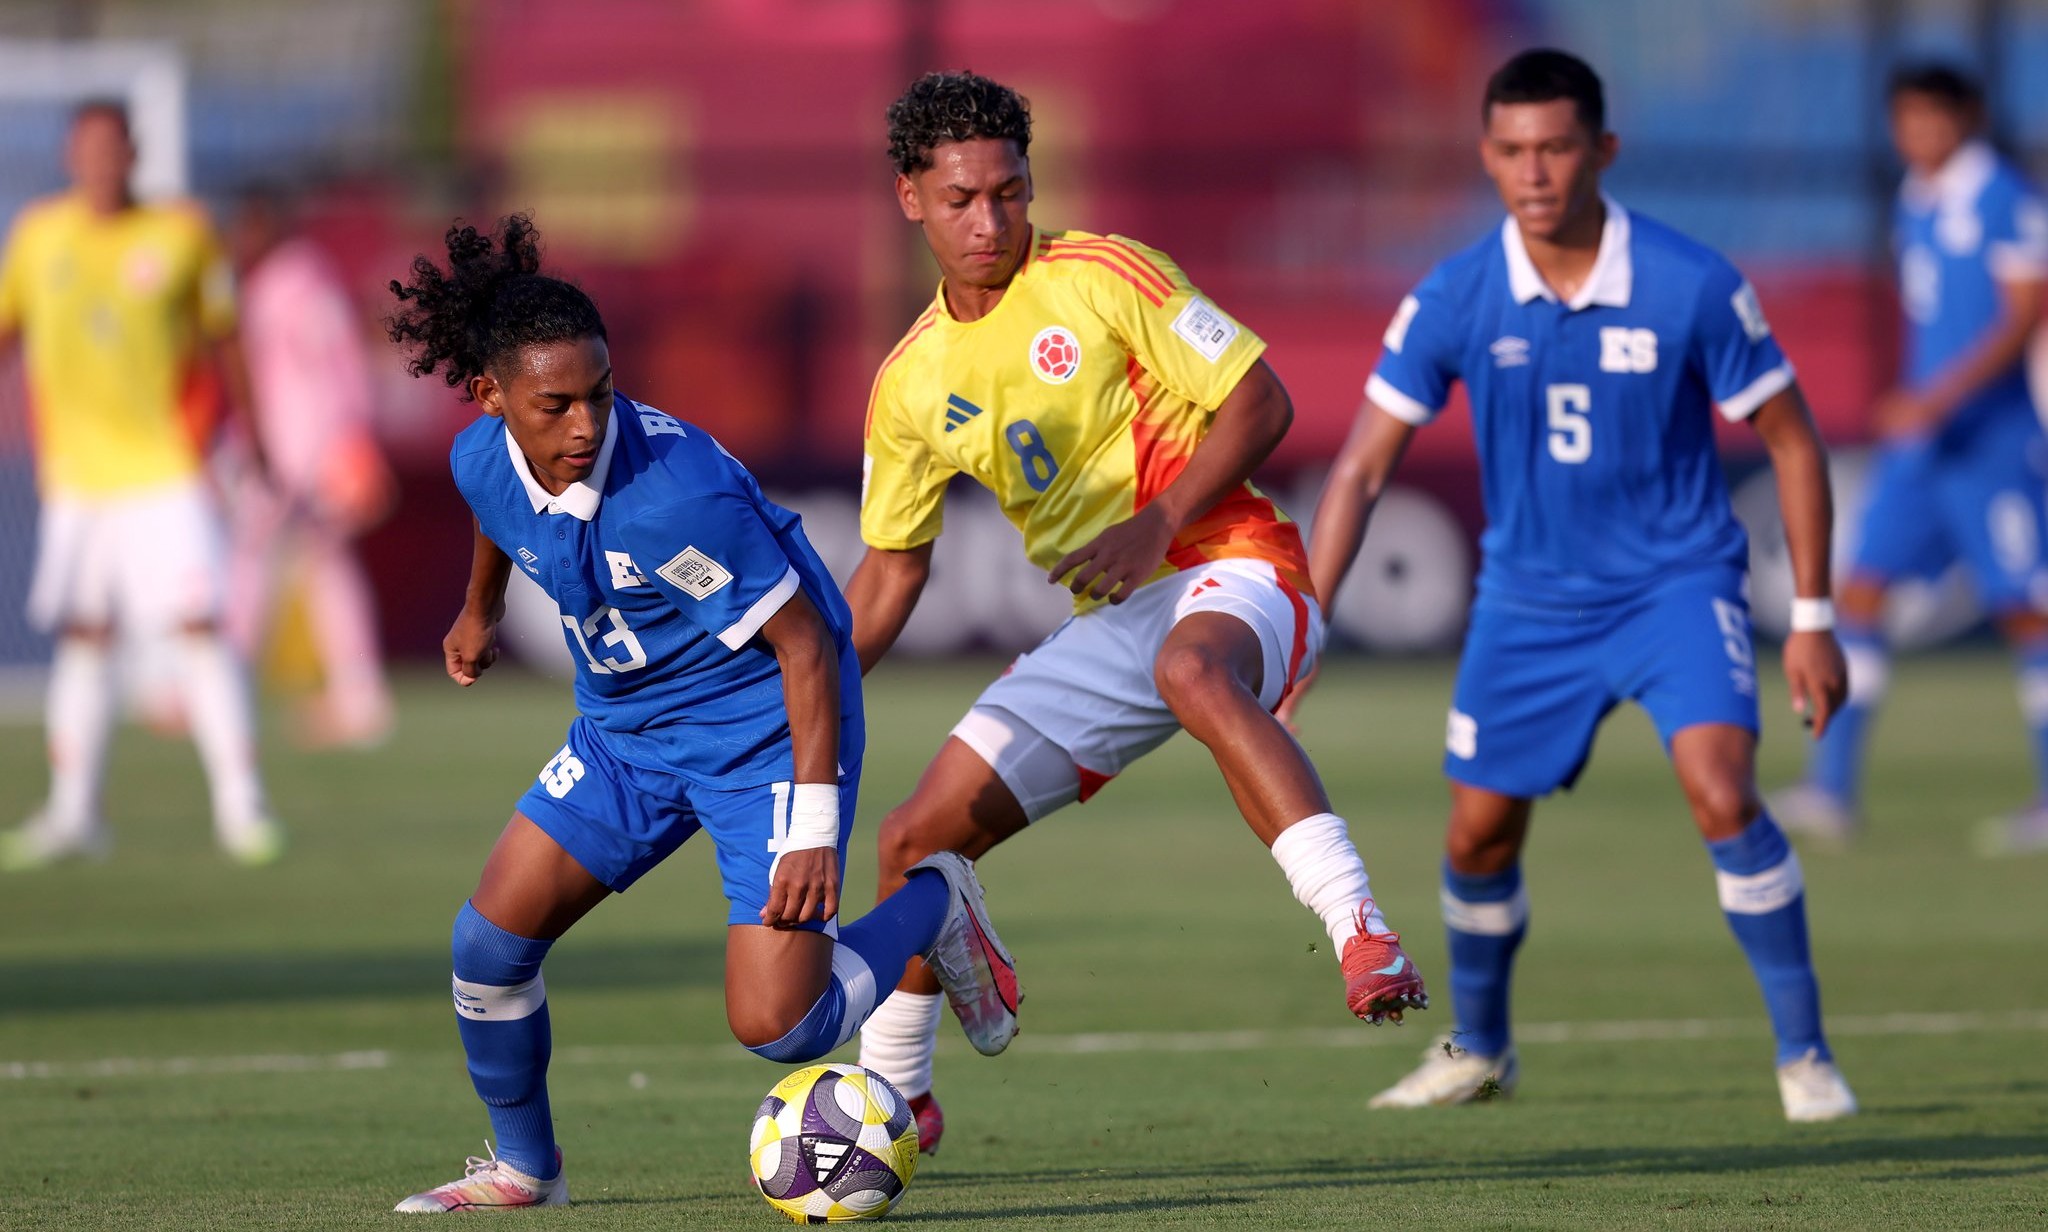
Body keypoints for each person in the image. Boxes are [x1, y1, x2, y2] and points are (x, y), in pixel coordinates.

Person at [383, 215, 1019, 1212]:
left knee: (782, 1024)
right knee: (487, 949)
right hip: (625, 734)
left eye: (600, 392)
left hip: (762, 730)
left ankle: (933, 904)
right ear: (492, 398)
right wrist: (480, 607)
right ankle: (524, 1169)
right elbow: (497, 511)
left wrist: (811, 827)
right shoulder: (477, 458)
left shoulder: (674, 500)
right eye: (555, 405)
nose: (587, 425)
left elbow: (809, 644)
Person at [849, 71, 1426, 1155]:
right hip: (1115, 619)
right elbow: (889, 574)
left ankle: (1359, 929)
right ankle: (895, 1097)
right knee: (909, 842)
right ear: (909, 199)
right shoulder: (909, 381)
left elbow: (1263, 399)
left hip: (1238, 567)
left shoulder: (1103, 272)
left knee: (1190, 670)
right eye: (964, 198)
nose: (991, 220)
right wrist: (801, 696)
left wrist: (1156, 521)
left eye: (1010, 193)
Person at [1290, 50, 1857, 1121]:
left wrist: (1812, 618)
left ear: (1601, 150)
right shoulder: (1455, 292)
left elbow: (1790, 439)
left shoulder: (1691, 281)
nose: (1533, 172)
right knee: (1475, 837)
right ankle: (1480, 1050)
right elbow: (1361, 464)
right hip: (1528, 603)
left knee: (1722, 792)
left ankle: (1805, 1054)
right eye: (1510, 151)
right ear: (1484, 156)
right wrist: (1303, 620)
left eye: (1554, 147)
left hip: (1674, 586)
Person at [1771, 64, 2048, 856]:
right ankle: (1832, 789)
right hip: (1921, 447)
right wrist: (1918, 403)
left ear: (1967, 118)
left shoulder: (2005, 196)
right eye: (1905, 120)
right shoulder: (1915, 197)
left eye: (1931, 119)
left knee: (2028, 610)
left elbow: (2024, 315)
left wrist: (1941, 395)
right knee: (1857, 593)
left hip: (1992, 444)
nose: (1916, 135)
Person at [0, 100, 280, 870]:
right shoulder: (35, 236)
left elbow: (226, 339)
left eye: (111, 147)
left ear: (132, 154)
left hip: (165, 470)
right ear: (68, 156)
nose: (98, 161)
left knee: (196, 624)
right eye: (84, 148)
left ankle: (240, 804)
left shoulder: (182, 233)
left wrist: (253, 437)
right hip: (76, 480)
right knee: (85, 634)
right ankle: (73, 814)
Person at [223, 185, 397, 749]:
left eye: (249, 226)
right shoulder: (277, 281)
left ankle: (227, 686)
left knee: (255, 559)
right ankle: (357, 695)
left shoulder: (299, 279)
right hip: (294, 448)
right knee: (316, 565)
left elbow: (335, 365)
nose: (241, 239)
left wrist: (349, 444)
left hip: (305, 452)